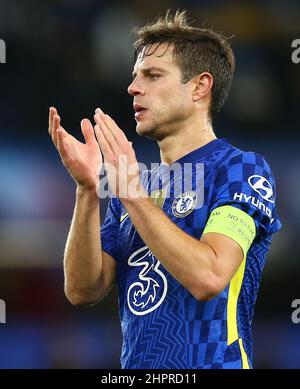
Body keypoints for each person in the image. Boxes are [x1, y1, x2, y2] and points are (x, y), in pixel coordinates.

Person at [48, 10, 281, 369]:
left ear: (200, 87)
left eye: (153, 75)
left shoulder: (241, 169)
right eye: (135, 77)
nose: (133, 88)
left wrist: (131, 194)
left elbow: (209, 276)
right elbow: (82, 290)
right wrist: (88, 191)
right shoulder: (137, 183)